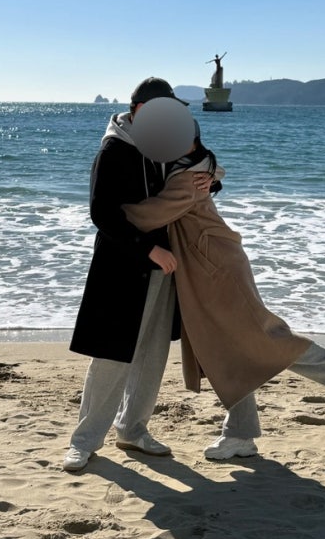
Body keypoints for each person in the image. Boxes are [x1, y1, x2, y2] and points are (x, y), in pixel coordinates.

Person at [121, 131, 325, 461]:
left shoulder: (186, 178)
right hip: (206, 268)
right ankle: (240, 434)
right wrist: (212, 172)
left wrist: (108, 213)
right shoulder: (191, 169)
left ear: (191, 143)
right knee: (226, 351)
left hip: (218, 268)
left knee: (262, 340)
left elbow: (146, 216)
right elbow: (209, 171)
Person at [63, 77, 213, 474]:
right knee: (112, 357)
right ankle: (83, 441)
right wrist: (148, 249)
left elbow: (196, 160)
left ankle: (132, 429)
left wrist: (211, 175)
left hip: (165, 266)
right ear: (142, 111)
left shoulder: (166, 141)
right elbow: (101, 213)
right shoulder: (113, 149)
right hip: (122, 265)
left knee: (152, 353)